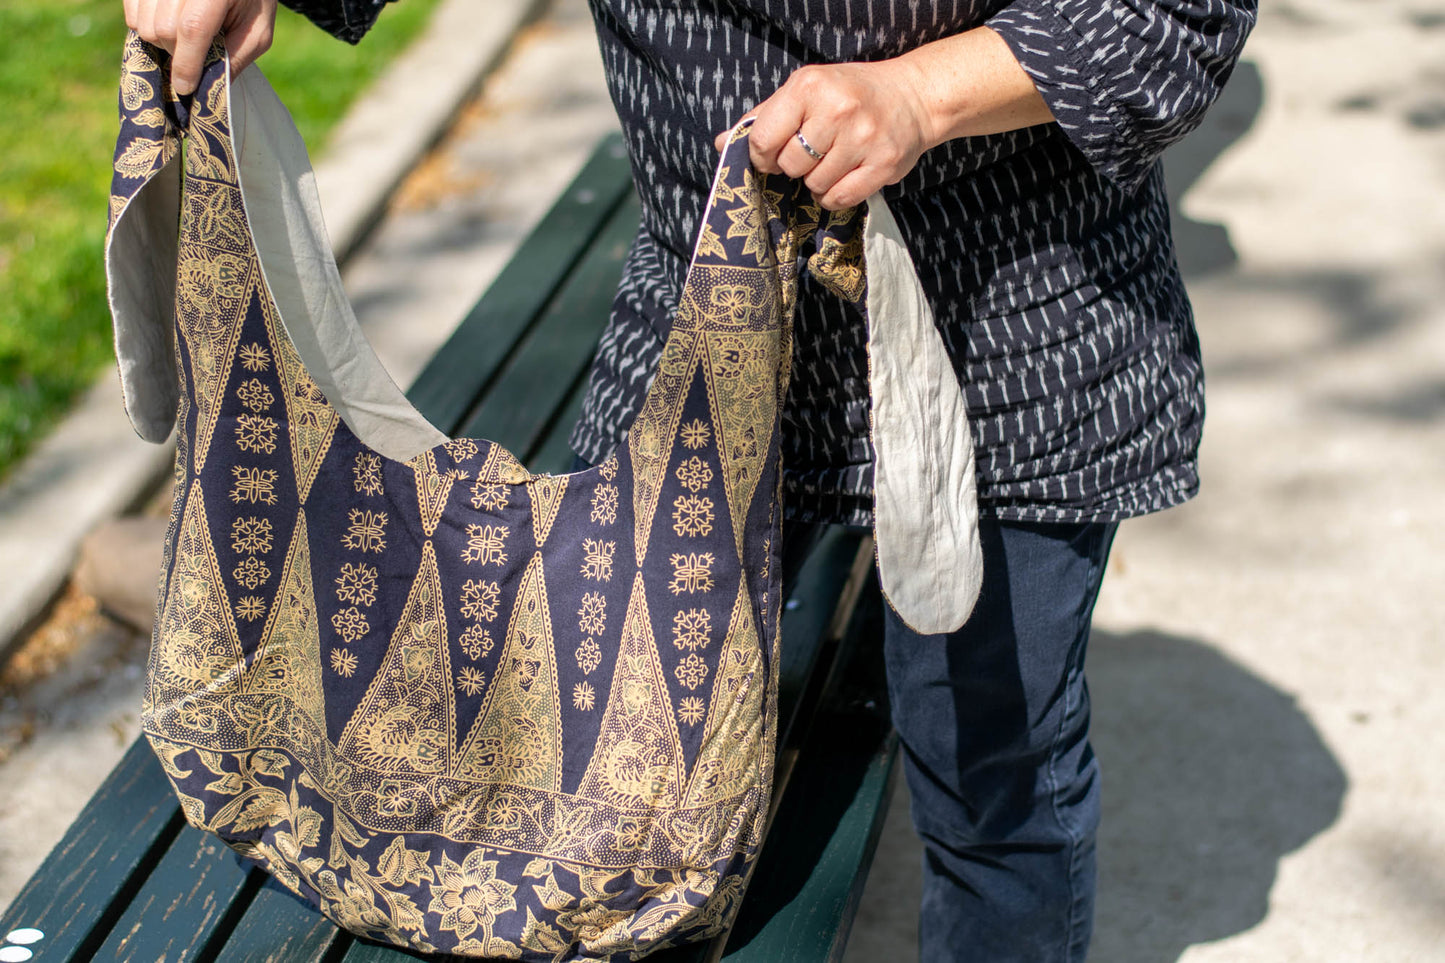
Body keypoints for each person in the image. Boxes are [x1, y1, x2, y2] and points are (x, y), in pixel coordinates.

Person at [125, 1, 1257, 959]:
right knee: (609, 776)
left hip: (1008, 327)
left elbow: (1173, 16)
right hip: (694, 325)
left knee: (988, 767)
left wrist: (918, 97)